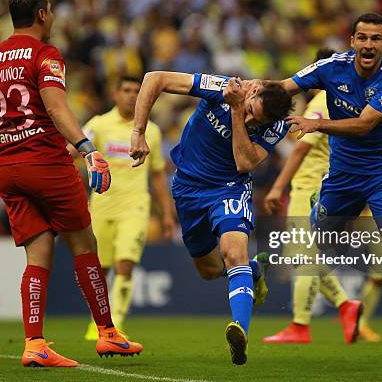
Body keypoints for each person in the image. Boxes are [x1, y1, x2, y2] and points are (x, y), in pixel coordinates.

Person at [0, 0, 142, 367]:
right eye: (50, 11)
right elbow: (56, 105)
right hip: (46, 162)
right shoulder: (44, 54)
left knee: (37, 253)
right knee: (84, 243)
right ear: (43, 15)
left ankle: (35, 343)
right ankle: (109, 334)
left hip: (8, 169)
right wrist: (87, 148)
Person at [273, 13, 382, 358]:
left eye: (375, 39)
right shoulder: (331, 67)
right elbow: (285, 86)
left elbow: (365, 124)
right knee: (320, 240)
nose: (368, 45)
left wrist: (316, 125)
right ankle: (318, 204)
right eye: (362, 38)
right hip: (342, 175)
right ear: (352, 41)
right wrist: (241, 94)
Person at [129, 71, 293, 365]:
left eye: (258, 121)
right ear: (252, 90)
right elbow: (155, 78)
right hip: (187, 190)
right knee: (208, 270)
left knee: (234, 253)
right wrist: (138, 131)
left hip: (229, 189)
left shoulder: (276, 126)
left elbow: (244, 163)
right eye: (252, 112)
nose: (251, 122)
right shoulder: (220, 86)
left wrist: (235, 110)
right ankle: (253, 270)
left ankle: (239, 329)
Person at [262, 48, 362, 345]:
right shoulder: (347, 100)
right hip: (328, 186)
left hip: (309, 187)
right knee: (306, 257)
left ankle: (300, 325)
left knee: (304, 258)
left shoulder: (321, 101)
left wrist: (279, 185)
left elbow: (302, 147)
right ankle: (346, 306)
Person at [82, 76, 176, 340]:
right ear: (115, 94)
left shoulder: (151, 131)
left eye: (137, 91)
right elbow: (74, 149)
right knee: (101, 269)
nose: (132, 95)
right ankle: (98, 321)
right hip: (101, 206)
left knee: (126, 264)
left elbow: (158, 175)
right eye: (127, 90)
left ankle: (116, 323)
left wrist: (167, 214)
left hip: (135, 206)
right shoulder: (99, 125)